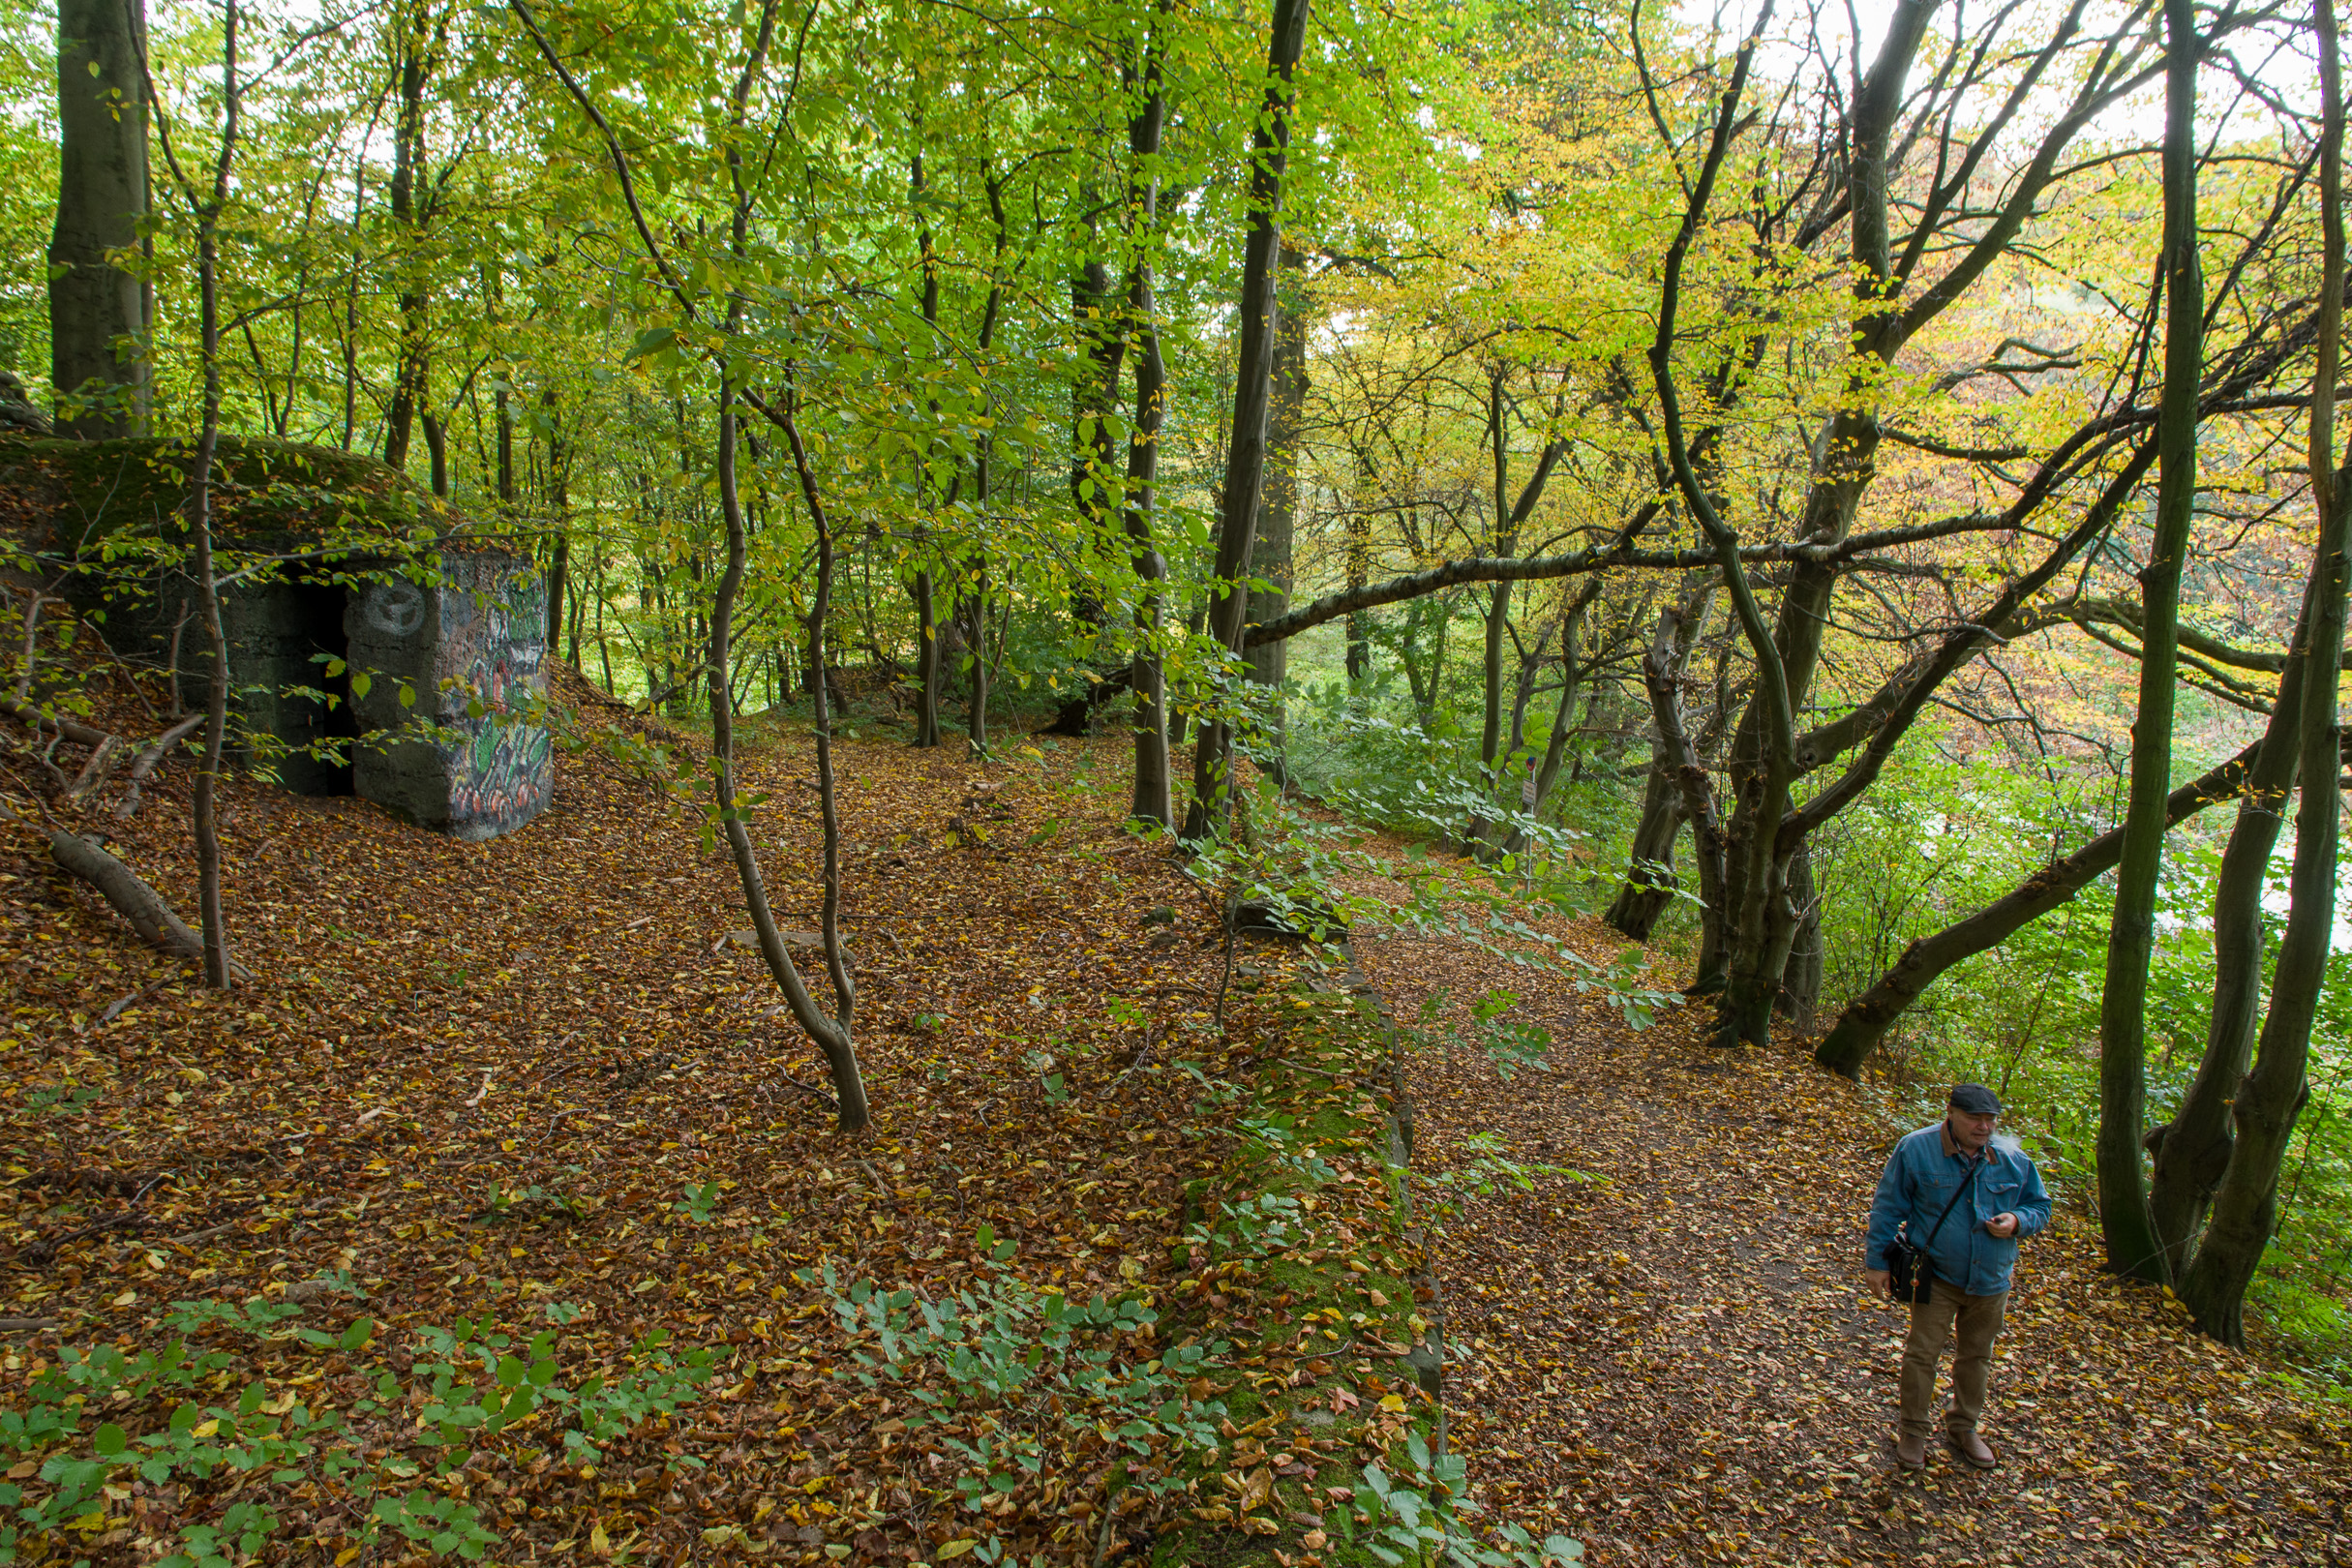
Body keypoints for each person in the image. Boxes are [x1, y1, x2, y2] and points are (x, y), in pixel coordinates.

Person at [1863, 1083, 2052, 1471]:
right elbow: (1888, 1207)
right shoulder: (1916, 1149)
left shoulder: (2012, 1158)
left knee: (1977, 1357)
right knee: (1922, 1354)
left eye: (1991, 1119)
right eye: (1974, 1118)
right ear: (1950, 1112)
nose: (1984, 1127)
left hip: (1991, 1280)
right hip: (1936, 1277)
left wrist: (2017, 1220)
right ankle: (1913, 1430)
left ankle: (1964, 1426)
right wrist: (1877, 1263)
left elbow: (2039, 1206)